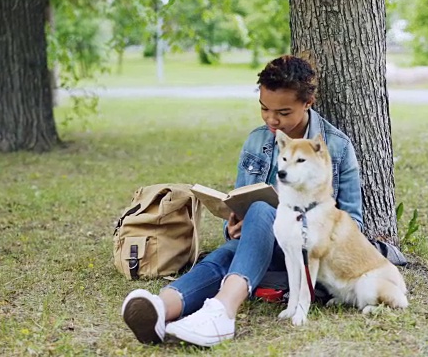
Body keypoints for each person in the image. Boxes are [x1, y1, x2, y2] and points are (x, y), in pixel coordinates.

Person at [121, 55, 406, 347]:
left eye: (283, 112)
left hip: (307, 252)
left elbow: (352, 223)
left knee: (256, 217)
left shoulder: (336, 146)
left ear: (308, 103)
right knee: (233, 244)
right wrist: (233, 226)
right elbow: (239, 203)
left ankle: (222, 312)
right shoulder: (257, 142)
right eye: (264, 109)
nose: (272, 120)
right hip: (262, 243)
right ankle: (160, 308)